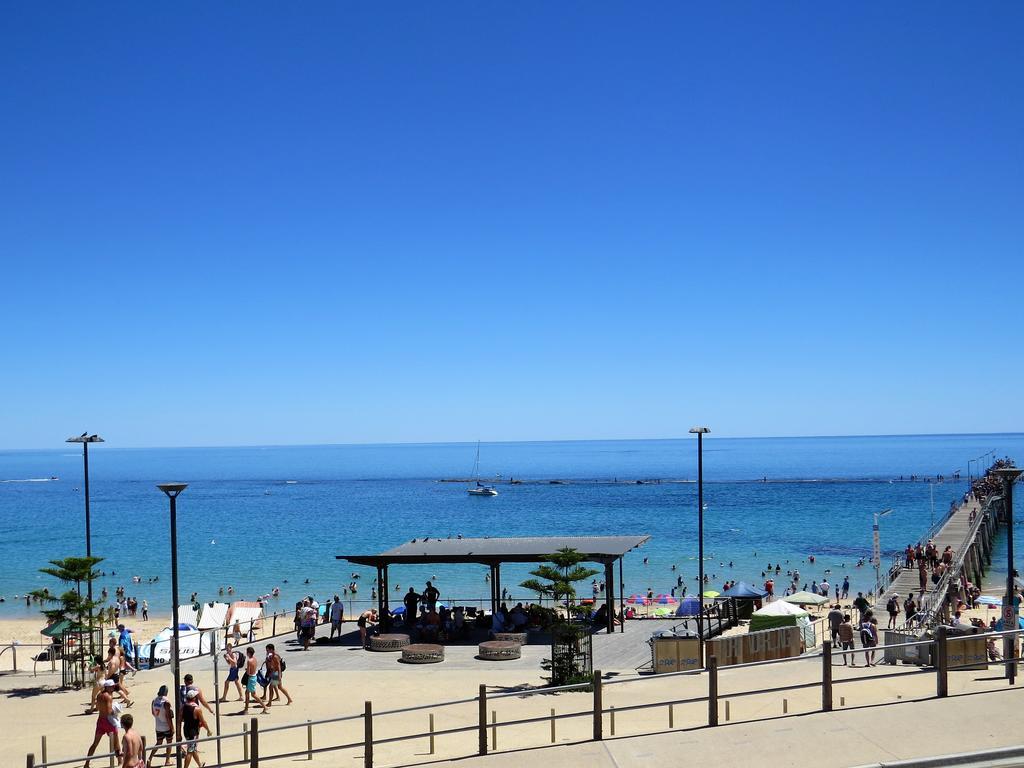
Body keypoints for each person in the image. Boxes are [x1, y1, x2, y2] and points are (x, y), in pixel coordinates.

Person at [84, 680, 121, 768]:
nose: (113, 688)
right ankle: (120, 761)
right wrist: (116, 709)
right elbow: (109, 711)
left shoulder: (99, 695)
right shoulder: (108, 696)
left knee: (95, 743)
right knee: (116, 742)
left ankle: (87, 763)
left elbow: (97, 708)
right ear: (107, 687)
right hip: (108, 721)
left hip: (100, 720)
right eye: (111, 686)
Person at [182, 690, 212, 768]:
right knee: (190, 751)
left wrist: (178, 733)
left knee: (193, 749)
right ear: (194, 698)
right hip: (193, 732)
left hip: (186, 730)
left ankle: (199, 764)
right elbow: (203, 721)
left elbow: (179, 720)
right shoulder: (197, 709)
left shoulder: (183, 707)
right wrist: (208, 730)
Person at [151, 684, 174, 767]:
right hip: (166, 726)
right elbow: (168, 717)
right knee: (169, 743)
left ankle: (150, 758)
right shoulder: (166, 702)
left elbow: (153, 713)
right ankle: (167, 760)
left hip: (158, 726)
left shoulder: (154, 700)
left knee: (158, 743)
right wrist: (172, 727)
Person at [242, 646, 267, 714]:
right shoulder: (254, 659)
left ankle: (264, 707)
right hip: (254, 677)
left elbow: (248, 672)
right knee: (247, 693)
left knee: (253, 694)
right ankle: (246, 709)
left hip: (251, 678)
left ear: (249, 653)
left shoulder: (249, 661)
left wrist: (247, 670)